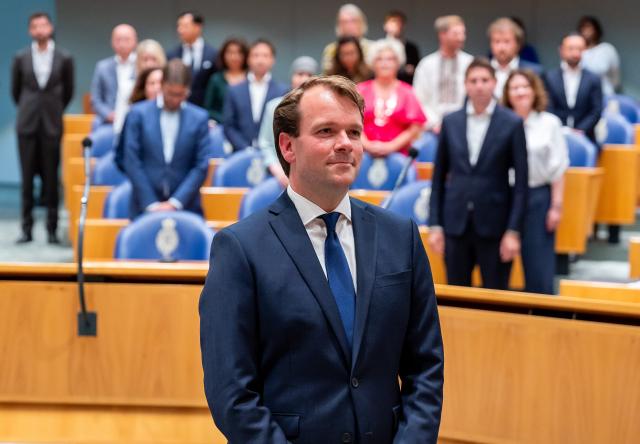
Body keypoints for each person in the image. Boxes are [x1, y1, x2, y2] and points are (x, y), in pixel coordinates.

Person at [200, 75, 444, 443]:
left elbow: (426, 367)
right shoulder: (240, 249)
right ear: (287, 146)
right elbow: (231, 394)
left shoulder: (401, 237)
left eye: (354, 132)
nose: (345, 144)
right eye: (326, 131)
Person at [428, 58, 528, 290]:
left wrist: (513, 231)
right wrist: (435, 225)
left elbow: (521, 184)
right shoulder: (451, 121)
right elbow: (438, 177)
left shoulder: (512, 123)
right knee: (457, 296)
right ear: (466, 85)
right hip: (455, 224)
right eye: (473, 80)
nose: (479, 85)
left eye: (485, 80)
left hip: (495, 226)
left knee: (495, 300)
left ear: (494, 83)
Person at [503, 69, 569, 294]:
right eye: (514, 87)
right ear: (507, 93)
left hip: (538, 198)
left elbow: (559, 168)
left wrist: (556, 206)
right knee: (499, 268)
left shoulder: (550, 123)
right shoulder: (501, 123)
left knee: (538, 270)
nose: (520, 92)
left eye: (525, 86)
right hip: (505, 198)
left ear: (534, 90)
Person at [11, 12, 74, 244]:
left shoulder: (65, 57)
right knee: (27, 179)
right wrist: (30, 109)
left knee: (50, 178)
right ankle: (26, 228)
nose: (39, 29)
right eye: (35, 26)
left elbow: (68, 91)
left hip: (51, 124)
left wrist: (53, 110)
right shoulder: (21, 57)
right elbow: (16, 91)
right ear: (30, 31)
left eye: (43, 25)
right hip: (26, 124)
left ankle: (52, 228)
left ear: (51, 27)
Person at [122, 60, 210, 219]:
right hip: (143, 206)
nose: (175, 99)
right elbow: (131, 160)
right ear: (161, 85)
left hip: (186, 206)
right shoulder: (138, 114)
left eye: (181, 94)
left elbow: (201, 165)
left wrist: (175, 203)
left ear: (188, 90)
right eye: (171, 93)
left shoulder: (199, 118)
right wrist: (151, 204)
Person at [358, 38, 426, 157]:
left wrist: (391, 147)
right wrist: (367, 145)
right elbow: (349, 122)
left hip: (399, 155)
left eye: (390, 59)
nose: (385, 63)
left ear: (398, 63)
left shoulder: (407, 92)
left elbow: (415, 127)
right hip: (362, 153)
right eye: (379, 59)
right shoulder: (360, 90)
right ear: (372, 63)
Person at [258, 56, 318, 186]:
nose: (304, 79)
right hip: (277, 174)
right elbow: (265, 143)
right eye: (300, 74)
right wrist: (279, 172)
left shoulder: (321, 110)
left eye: (309, 74)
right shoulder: (273, 107)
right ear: (292, 77)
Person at [223, 39, 288, 152]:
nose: (260, 60)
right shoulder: (234, 90)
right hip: (241, 153)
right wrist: (245, 148)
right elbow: (229, 126)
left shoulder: (283, 91)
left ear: (273, 60)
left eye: (265, 55)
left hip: (274, 155)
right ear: (248, 59)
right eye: (255, 55)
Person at [413, 15, 473, 133]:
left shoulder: (470, 63)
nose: (461, 38)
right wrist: (435, 123)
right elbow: (419, 99)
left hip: (464, 126)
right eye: (456, 34)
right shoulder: (426, 64)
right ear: (442, 35)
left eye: (463, 33)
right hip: (432, 128)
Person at [543, 33, 603, 146]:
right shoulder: (549, 77)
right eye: (571, 48)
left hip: (586, 137)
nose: (575, 53)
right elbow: (548, 107)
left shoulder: (594, 79)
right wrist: (561, 130)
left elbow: (596, 110)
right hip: (555, 136)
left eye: (580, 49)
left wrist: (580, 130)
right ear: (561, 50)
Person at [90, 24, 137, 130]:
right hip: (109, 121)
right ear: (112, 42)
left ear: (135, 41)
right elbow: (95, 99)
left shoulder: (141, 65)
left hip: (135, 118)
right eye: (118, 39)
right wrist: (109, 115)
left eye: (126, 39)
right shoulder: (102, 67)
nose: (122, 44)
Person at [166, 11, 217, 106]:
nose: (180, 30)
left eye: (185, 26)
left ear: (198, 27)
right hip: (178, 106)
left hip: (204, 107)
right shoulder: (172, 55)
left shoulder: (213, 55)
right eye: (178, 26)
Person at [488, 17, 543, 99]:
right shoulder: (480, 71)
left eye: (506, 41)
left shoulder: (534, 72)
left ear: (518, 44)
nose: (501, 47)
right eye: (497, 41)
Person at [203, 37, 248, 123]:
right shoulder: (216, 79)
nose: (234, 57)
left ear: (245, 55)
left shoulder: (250, 78)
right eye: (230, 52)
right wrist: (224, 119)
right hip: (220, 127)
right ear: (223, 55)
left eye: (238, 53)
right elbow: (208, 108)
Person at [321, 3, 373, 71]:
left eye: (353, 21)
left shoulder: (373, 48)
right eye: (344, 22)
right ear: (338, 25)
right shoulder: (331, 50)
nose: (349, 26)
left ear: (361, 23)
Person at [578, 16, 621, 96]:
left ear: (596, 30)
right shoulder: (577, 51)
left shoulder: (607, 49)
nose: (586, 31)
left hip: (605, 94)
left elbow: (615, 75)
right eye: (583, 27)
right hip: (583, 98)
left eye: (588, 27)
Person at [383, 10, 420, 84]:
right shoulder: (379, 47)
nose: (397, 25)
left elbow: (417, 70)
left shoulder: (411, 48)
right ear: (385, 25)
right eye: (393, 21)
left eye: (400, 22)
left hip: (405, 84)